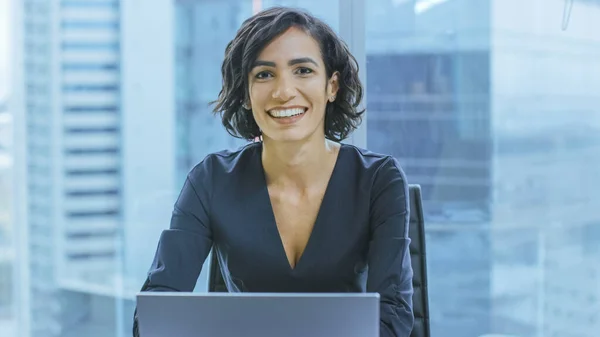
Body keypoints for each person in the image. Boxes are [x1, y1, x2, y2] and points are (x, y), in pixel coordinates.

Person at [133, 6, 414, 337]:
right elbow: (157, 311)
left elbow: (392, 318)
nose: (283, 92)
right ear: (247, 94)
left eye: (303, 70)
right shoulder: (211, 180)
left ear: (331, 86)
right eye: (264, 74)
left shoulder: (378, 179)